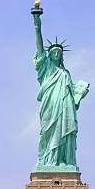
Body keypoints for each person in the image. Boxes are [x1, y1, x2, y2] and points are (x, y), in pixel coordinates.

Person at [32, 10, 89, 168]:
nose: (56, 54)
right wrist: (37, 25)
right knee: (49, 132)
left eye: (59, 52)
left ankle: (63, 160)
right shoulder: (47, 69)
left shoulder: (65, 73)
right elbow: (39, 48)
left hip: (65, 107)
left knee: (65, 130)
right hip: (50, 105)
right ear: (49, 56)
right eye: (54, 52)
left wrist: (80, 93)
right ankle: (49, 161)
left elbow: (73, 93)